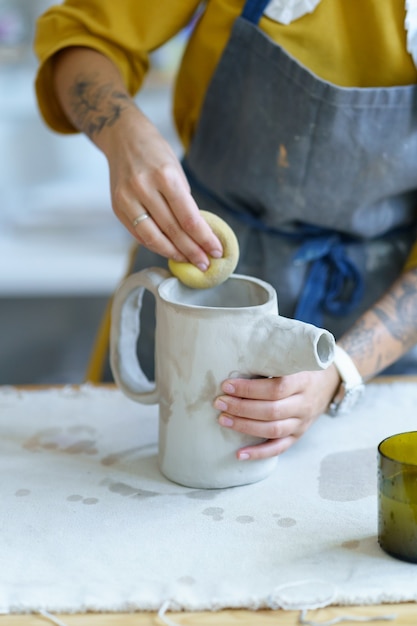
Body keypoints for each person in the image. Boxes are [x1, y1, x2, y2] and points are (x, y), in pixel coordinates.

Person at [34, 0, 417, 461]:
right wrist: (123, 135)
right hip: (188, 277)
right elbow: (82, 39)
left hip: (374, 333)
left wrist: (340, 371)